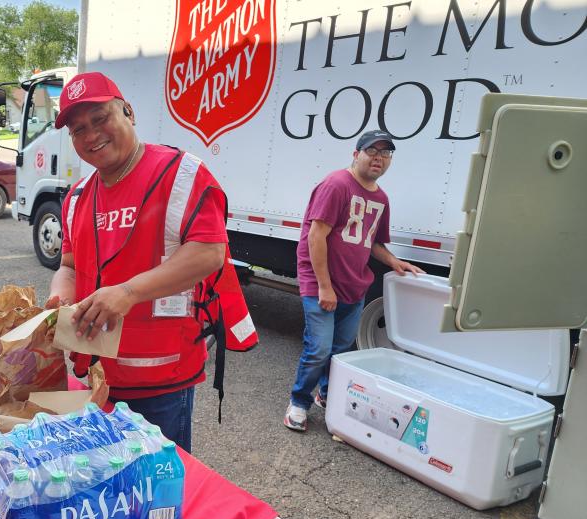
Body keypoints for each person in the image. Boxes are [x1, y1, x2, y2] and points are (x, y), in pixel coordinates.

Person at [46, 72, 257, 452]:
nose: (91, 135)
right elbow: (69, 265)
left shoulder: (179, 173)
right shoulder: (77, 196)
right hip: (96, 374)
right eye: (78, 130)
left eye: (100, 119)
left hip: (160, 378)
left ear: (128, 112)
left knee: (156, 491)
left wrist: (127, 293)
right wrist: (60, 297)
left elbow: (210, 253)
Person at [283, 130, 423, 432]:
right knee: (318, 348)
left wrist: (394, 261)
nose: (379, 158)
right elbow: (315, 235)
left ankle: (326, 394)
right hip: (321, 283)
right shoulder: (336, 185)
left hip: (353, 286)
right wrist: (324, 286)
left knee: (340, 348)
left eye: (386, 153)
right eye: (372, 151)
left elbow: (372, 242)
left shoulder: (381, 198)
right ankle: (298, 402)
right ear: (355, 153)